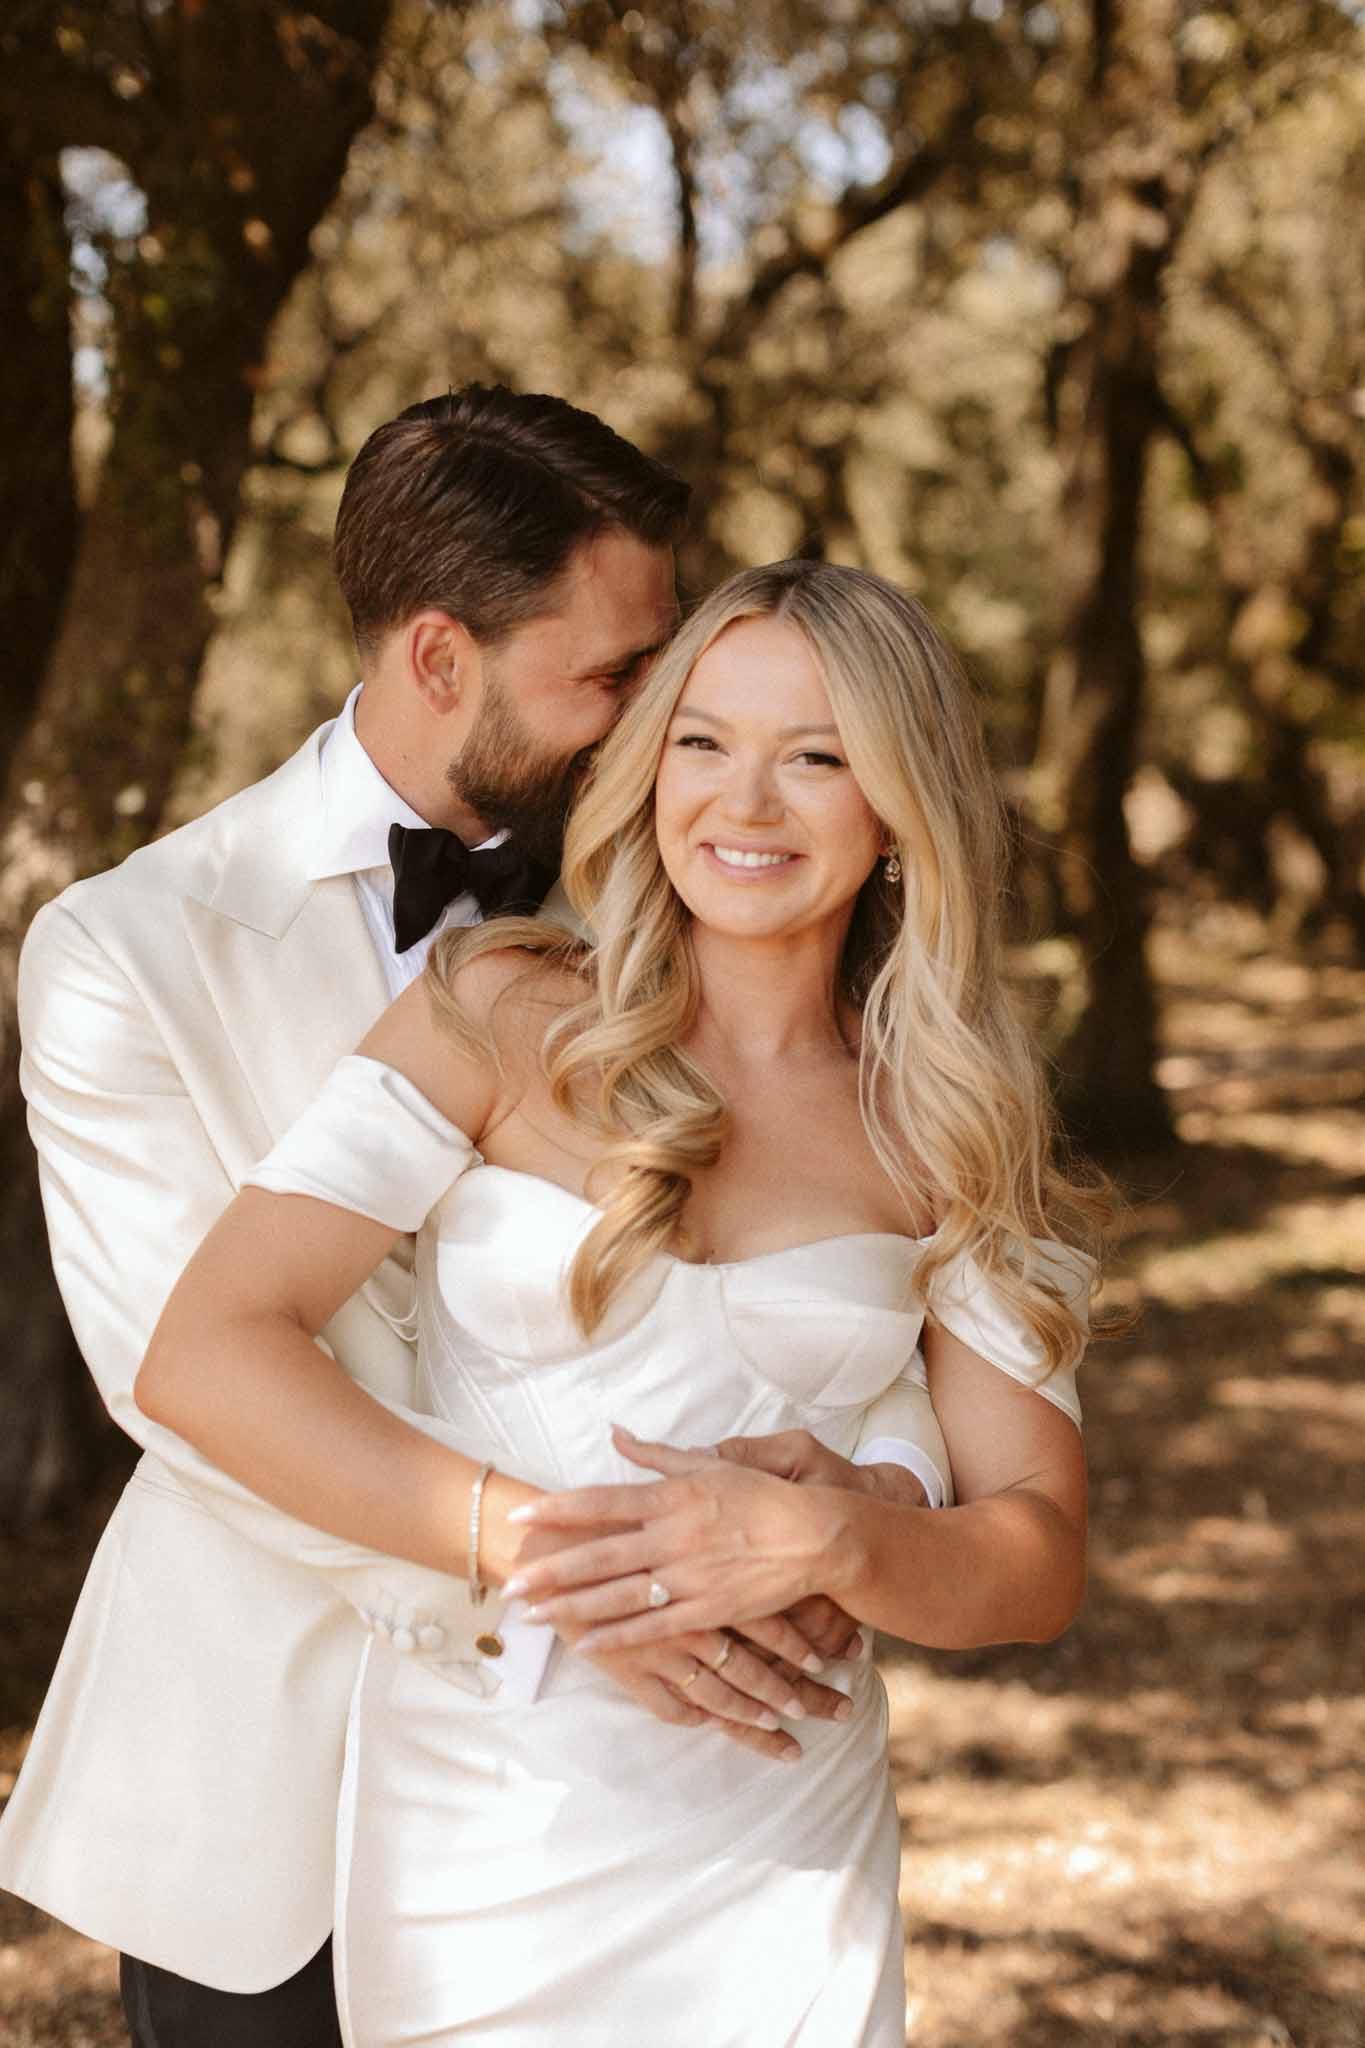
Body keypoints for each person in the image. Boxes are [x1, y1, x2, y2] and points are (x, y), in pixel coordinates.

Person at [0, 394, 946, 2048]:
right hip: (266, 1764)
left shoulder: (679, 875)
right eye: (611, 677)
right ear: (441, 657)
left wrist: (858, 1509)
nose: (655, 719)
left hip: (637, 1800)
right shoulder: (123, 950)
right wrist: (589, 1585)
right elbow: (186, 1380)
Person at [133, 559, 1105, 2046]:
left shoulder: (947, 1116)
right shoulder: (495, 1006)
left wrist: (846, 1536)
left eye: (817, 756)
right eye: (702, 741)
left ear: (900, 799)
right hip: (484, 1809)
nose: (745, 804)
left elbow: (1033, 1552)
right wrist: (563, 1560)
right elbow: (207, 1354)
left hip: (779, 1830)